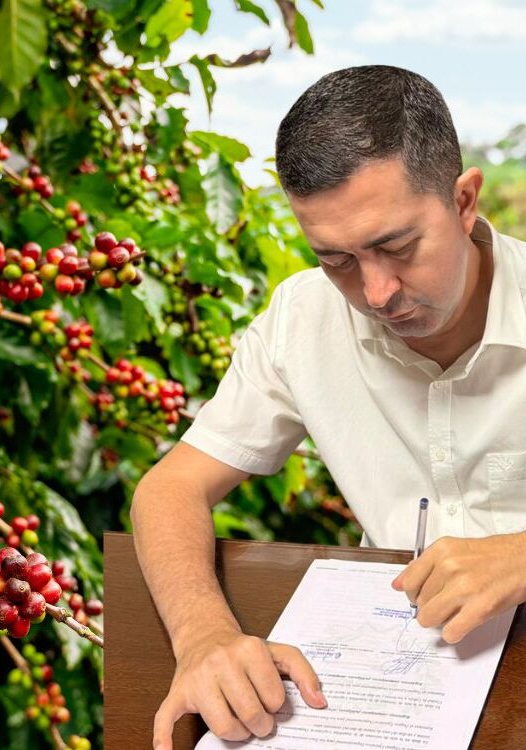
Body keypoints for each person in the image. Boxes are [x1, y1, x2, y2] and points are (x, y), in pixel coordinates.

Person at [130, 64, 526, 750]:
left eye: (396, 247)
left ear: (464, 202)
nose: (375, 293)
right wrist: (203, 636)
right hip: (394, 697)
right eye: (336, 259)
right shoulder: (302, 319)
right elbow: (169, 490)